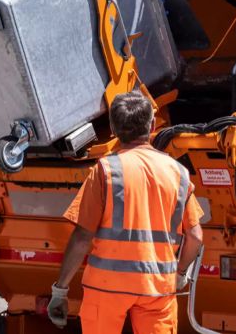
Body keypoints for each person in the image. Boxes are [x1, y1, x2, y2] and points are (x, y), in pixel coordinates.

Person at [48, 91, 204, 333]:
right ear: (152, 125)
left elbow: (82, 237)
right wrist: (180, 273)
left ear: (112, 127)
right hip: (156, 289)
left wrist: (61, 290)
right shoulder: (178, 173)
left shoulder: (106, 170)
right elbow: (195, 237)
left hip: (106, 288)